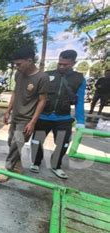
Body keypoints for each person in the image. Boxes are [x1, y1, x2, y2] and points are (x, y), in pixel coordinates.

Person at [30, 50, 86, 179]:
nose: (61, 66)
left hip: (63, 118)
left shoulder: (79, 79)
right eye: (59, 63)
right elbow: (36, 97)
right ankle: (36, 162)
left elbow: (80, 101)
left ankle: (56, 165)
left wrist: (81, 121)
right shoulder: (46, 75)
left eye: (65, 64)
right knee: (36, 141)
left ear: (73, 63)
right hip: (43, 116)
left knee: (63, 143)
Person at [0, 47, 49, 183]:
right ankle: (18, 165)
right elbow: (15, 92)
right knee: (11, 141)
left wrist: (33, 121)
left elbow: (42, 100)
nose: (16, 67)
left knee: (16, 143)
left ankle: (7, 169)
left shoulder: (42, 77)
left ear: (30, 60)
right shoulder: (18, 74)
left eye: (19, 64)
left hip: (27, 118)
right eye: (15, 64)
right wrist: (8, 110)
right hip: (16, 115)